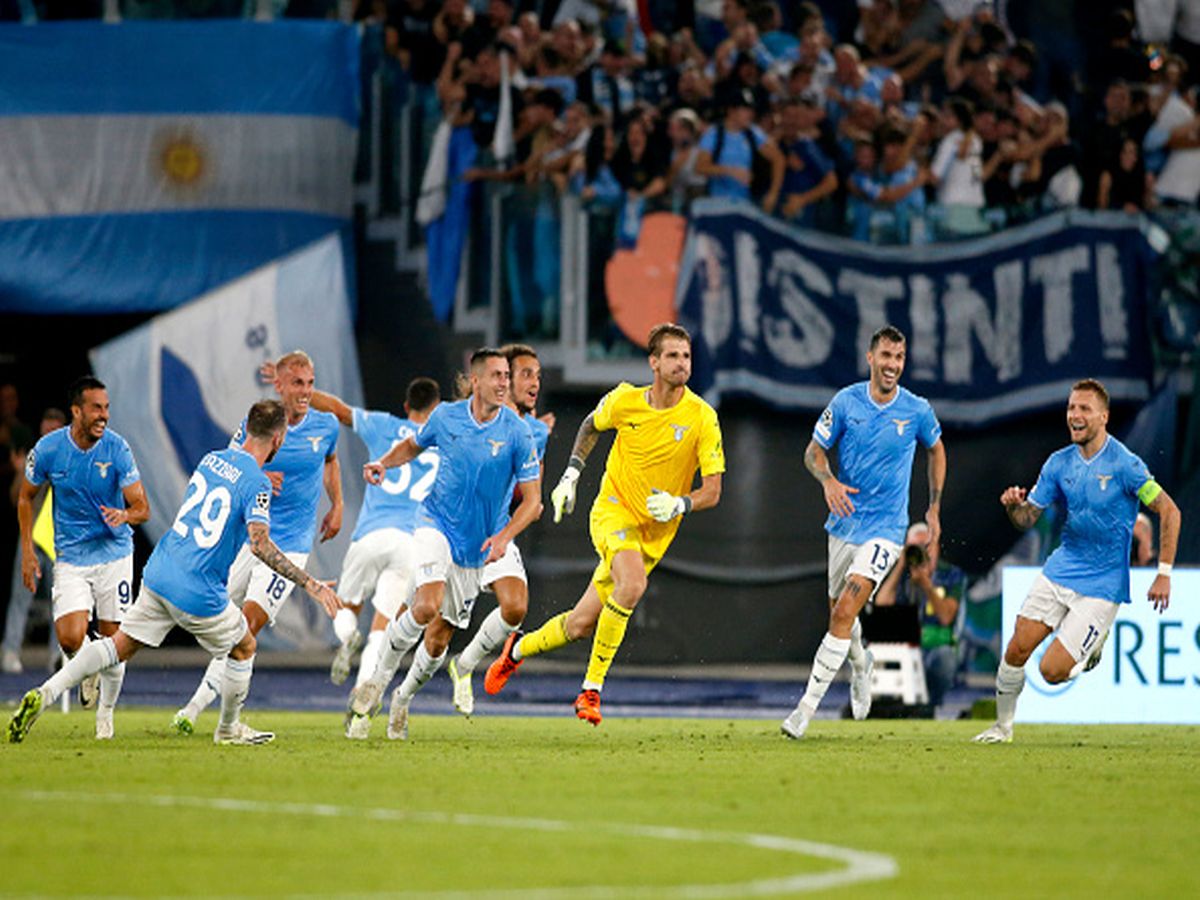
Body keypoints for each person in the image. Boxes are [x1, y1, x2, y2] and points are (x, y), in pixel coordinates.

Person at [8, 400, 342, 745]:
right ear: (278, 438)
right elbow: (260, 544)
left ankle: (44, 694)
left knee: (117, 646)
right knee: (244, 646)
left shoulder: (211, 459)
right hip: (198, 589)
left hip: (161, 570)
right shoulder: (257, 482)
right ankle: (228, 729)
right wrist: (310, 583)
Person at [484, 323, 725, 726]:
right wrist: (571, 475)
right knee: (632, 585)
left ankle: (516, 651)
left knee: (580, 624)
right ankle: (590, 690)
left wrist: (680, 503)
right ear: (654, 362)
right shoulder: (625, 400)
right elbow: (591, 426)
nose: (682, 363)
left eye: (686, 356)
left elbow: (713, 491)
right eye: (672, 355)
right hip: (613, 511)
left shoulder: (703, 417)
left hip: (654, 533)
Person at [346, 348, 542, 740]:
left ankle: (402, 698)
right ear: (475, 381)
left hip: (487, 540)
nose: (505, 383)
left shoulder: (517, 431)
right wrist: (384, 463)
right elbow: (413, 446)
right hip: (436, 525)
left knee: (443, 640)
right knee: (425, 605)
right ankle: (375, 686)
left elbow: (534, 502)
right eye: (497, 376)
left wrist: (504, 537)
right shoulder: (447, 416)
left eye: (508, 375)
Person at [974, 379, 1181, 744]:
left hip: (1103, 586)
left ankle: (1091, 648)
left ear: (1104, 416)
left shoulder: (1126, 465)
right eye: (1072, 408)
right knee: (1016, 648)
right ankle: (1002, 728)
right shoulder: (1058, 464)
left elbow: (1169, 511)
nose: (1075, 415)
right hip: (1061, 569)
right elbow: (1027, 519)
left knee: (1051, 671)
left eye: (1084, 409)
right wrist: (1013, 507)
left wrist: (1163, 573)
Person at [781, 325, 946, 740]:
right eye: (886, 356)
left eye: (899, 358)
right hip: (843, 524)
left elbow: (937, 449)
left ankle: (804, 710)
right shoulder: (846, 402)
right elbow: (812, 451)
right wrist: (828, 481)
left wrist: (934, 507)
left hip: (887, 530)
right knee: (840, 613)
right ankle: (860, 662)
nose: (893, 365)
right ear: (870, 358)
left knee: (843, 611)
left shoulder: (916, 410)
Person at [172, 350, 343, 735]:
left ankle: (195, 710)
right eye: (297, 383)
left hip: (289, 547)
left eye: (310, 383)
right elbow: (233, 466)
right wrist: (261, 473)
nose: (305, 391)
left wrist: (338, 503)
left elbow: (330, 460)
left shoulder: (325, 426)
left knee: (246, 627)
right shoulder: (256, 428)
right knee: (207, 612)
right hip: (249, 540)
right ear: (278, 385)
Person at [15, 377, 150, 739]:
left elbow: (142, 507)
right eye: (96, 408)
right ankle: (87, 668)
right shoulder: (48, 450)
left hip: (114, 555)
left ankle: (105, 716)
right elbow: (26, 497)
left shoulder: (118, 449)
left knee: (115, 644)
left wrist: (125, 515)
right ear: (77, 411)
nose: (103, 415)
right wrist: (28, 549)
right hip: (72, 556)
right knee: (71, 639)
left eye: (106, 407)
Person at [305, 376, 442, 694]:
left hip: (371, 536)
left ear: (407, 406)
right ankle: (363, 690)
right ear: (436, 410)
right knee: (384, 622)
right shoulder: (442, 439)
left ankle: (347, 638)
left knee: (347, 607)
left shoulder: (382, 425)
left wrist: (302, 392)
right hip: (411, 541)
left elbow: (338, 410)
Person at [446, 343, 552, 717]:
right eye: (524, 373)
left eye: (537, 375)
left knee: (516, 607)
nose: (533, 382)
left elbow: (529, 500)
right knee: (427, 624)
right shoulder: (473, 417)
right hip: (452, 535)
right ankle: (390, 692)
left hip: (495, 535)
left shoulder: (529, 431)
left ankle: (464, 665)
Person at [2, 407, 68, 674]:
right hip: (31, 537)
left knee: (60, 601)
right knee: (21, 596)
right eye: (46, 425)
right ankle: (10, 650)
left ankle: (58, 655)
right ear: (41, 428)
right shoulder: (33, 457)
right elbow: (15, 497)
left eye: (55, 426)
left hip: (60, 539)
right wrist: (21, 471)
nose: (50, 430)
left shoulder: (71, 457)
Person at [874, 521, 969, 707]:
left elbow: (946, 617)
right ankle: (892, 703)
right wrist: (901, 564)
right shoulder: (901, 575)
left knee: (945, 657)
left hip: (936, 646)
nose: (921, 553)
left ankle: (932, 704)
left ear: (935, 548)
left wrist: (926, 584)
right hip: (905, 645)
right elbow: (881, 605)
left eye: (925, 547)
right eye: (914, 548)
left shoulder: (951, 575)